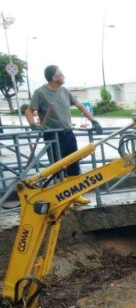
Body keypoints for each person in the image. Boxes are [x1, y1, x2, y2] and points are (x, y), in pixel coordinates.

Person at [25, 65, 103, 204]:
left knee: (73, 164)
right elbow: (29, 111)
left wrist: (94, 121)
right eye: (61, 74)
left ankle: (75, 195)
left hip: (68, 133)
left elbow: (80, 106)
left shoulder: (65, 91)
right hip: (53, 136)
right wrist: (33, 125)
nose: (63, 76)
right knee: (57, 167)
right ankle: (61, 198)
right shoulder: (40, 93)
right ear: (54, 78)